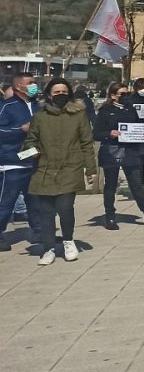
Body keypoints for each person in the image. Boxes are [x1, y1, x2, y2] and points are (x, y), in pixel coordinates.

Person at [23, 79, 97, 265]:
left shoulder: (79, 115)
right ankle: (47, 248)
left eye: (64, 91)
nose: (61, 95)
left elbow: (87, 143)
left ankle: (68, 241)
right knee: (46, 212)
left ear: (69, 94)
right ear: (49, 94)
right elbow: (30, 141)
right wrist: (31, 153)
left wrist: (91, 168)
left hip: (70, 167)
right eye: (56, 92)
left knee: (65, 208)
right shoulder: (39, 117)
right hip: (44, 169)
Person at [93, 83, 144, 229]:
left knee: (136, 185)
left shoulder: (131, 110)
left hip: (130, 151)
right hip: (112, 151)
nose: (125, 97)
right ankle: (110, 216)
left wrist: (143, 134)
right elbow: (96, 133)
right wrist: (109, 133)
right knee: (110, 185)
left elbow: (138, 126)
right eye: (122, 94)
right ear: (113, 96)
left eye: (127, 94)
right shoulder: (105, 111)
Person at [0, 72, 38, 251]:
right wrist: (19, 129)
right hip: (12, 162)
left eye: (34, 82)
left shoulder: (40, 107)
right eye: (30, 83)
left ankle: (38, 231)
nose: (34, 85)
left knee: (36, 201)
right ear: (19, 87)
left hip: (35, 161)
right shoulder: (7, 107)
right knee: (6, 202)